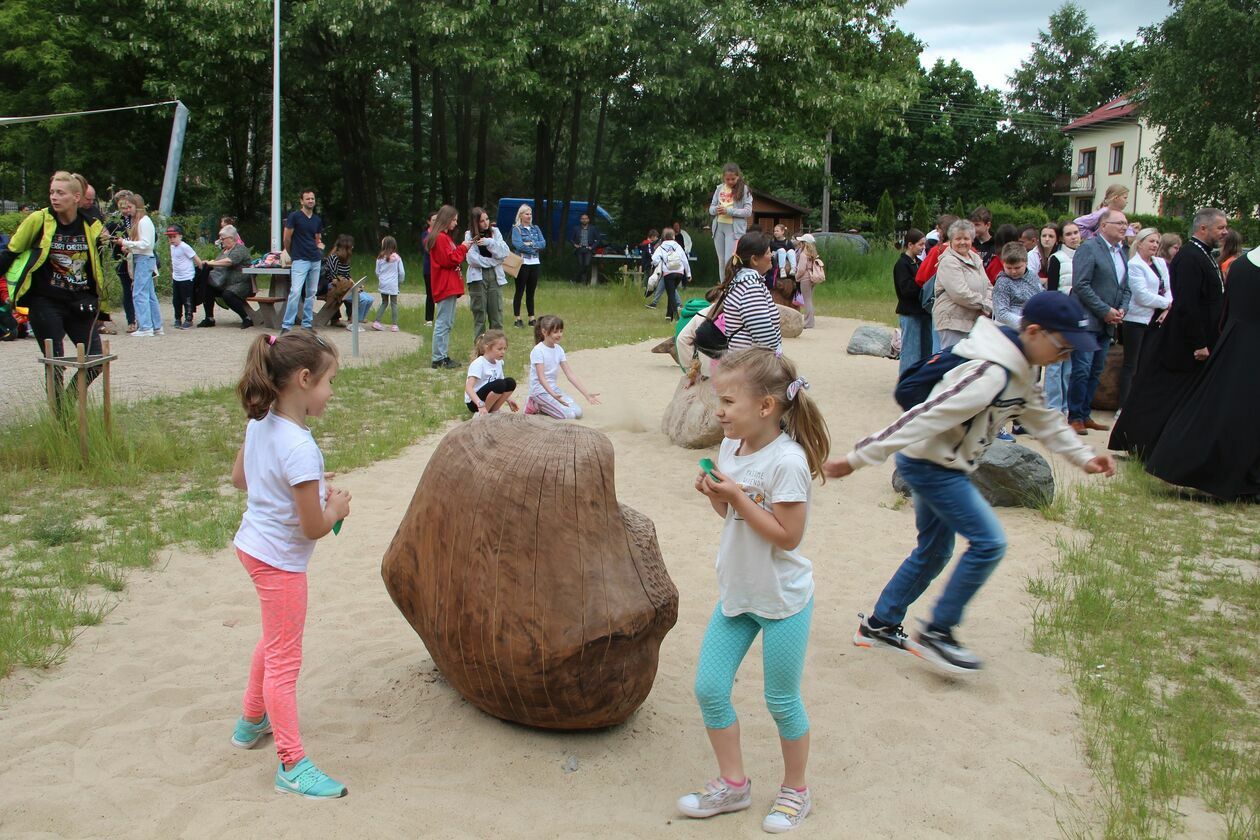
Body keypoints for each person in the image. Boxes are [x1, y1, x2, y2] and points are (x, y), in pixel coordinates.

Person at [824, 292, 1117, 671]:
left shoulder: (1022, 371)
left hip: (945, 465)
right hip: (931, 465)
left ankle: (879, 625)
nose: (1067, 356)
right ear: (1033, 332)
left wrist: (1084, 457)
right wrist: (859, 457)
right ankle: (938, 632)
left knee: (934, 550)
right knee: (989, 542)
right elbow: (925, 416)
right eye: (1063, 347)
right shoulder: (990, 373)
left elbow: (1044, 421)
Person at [677, 347, 830, 834]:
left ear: (766, 406)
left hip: (782, 600)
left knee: (781, 700)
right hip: (739, 592)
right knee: (709, 687)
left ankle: (796, 790)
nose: (717, 410)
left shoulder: (788, 462)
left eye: (726, 401)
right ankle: (734, 784)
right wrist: (717, 498)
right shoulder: (731, 447)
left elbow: (787, 536)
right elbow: (735, 519)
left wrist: (739, 495)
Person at [230, 330, 350, 800]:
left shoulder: (260, 420)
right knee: (284, 659)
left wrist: (309, 481)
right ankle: (291, 764)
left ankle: (250, 720)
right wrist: (335, 506)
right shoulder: (301, 446)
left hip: (252, 547)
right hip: (280, 562)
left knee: (273, 639)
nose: (331, 392)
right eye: (329, 381)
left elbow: (241, 478)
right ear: (304, 379)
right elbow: (313, 527)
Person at [1109, 208, 1229, 456]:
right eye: (1221, 227)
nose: (1225, 232)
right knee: (1161, 392)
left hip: (1198, 338)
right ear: (1203, 228)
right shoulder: (1189, 257)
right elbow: (1187, 304)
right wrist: (1198, 342)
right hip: (1185, 342)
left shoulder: (1203, 255)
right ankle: (1137, 441)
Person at [1144, 245, 1260, 501]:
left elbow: (1227, 310)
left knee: (1218, 410)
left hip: (1232, 345)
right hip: (1251, 350)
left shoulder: (1240, 265)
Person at [0, 171, 107, 395]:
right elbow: (11, 252)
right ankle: (60, 420)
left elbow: (96, 266)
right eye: (52, 192)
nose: (54, 197)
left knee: (96, 360)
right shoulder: (39, 220)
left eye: (60, 193)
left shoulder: (92, 226)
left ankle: (69, 401)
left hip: (80, 300)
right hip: (45, 301)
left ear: (76, 197)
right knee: (55, 363)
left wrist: (95, 298)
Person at [1067, 208, 1131, 435]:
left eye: (1125, 223)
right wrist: (1105, 310)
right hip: (1087, 320)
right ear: (1103, 226)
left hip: (1108, 322)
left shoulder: (1122, 251)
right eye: (1119, 223)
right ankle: (1074, 416)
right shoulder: (1089, 248)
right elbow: (1081, 285)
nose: (1124, 226)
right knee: (1082, 370)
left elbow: (1125, 287)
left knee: (1096, 370)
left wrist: (1121, 309)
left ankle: (1085, 413)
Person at [1118, 228, 1172, 408]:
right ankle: (1124, 405)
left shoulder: (1160, 262)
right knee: (1131, 364)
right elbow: (1142, 295)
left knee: (1148, 362)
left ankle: (1142, 403)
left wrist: (1168, 305)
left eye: (1157, 242)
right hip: (1136, 319)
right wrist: (1166, 304)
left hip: (1157, 318)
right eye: (1151, 241)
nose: (1155, 245)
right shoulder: (1134, 264)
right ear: (1139, 243)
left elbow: (1168, 288)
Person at [709, 230, 783, 355]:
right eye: (767, 253)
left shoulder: (743, 282)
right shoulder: (750, 287)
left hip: (746, 360)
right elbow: (763, 334)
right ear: (754, 259)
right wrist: (778, 359)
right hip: (751, 364)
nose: (771, 256)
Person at [526, 315, 600, 419]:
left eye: (561, 331)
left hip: (553, 389)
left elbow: (570, 374)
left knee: (578, 413)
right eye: (555, 332)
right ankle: (535, 404)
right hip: (540, 392)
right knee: (569, 416)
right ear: (544, 332)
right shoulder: (538, 351)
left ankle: (545, 405)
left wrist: (586, 394)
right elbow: (541, 378)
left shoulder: (559, 349)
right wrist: (552, 395)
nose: (559, 334)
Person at [933, 219, 991, 349]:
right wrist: (985, 305)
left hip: (974, 321)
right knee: (954, 364)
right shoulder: (948, 261)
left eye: (966, 238)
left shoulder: (976, 259)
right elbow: (960, 293)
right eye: (958, 239)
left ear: (972, 239)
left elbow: (988, 286)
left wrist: (988, 303)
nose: (962, 242)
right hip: (953, 322)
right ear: (951, 240)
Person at [1044, 221, 1081, 414]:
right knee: (1054, 366)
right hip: (1059, 316)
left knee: (1069, 367)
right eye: (1069, 234)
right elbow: (1052, 290)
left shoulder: (1083, 256)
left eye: (1076, 232)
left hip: (1076, 317)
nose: (1074, 237)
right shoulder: (1057, 258)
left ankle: (1064, 408)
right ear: (1062, 238)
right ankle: (1052, 408)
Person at [427, 205, 468, 369]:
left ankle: (443, 355)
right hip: (445, 285)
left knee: (448, 322)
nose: (456, 223)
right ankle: (438, 358)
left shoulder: (445, 237)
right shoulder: (440, 238)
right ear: (447, 219)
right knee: (443, 322)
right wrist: (464, 247)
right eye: (454, 219)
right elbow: (449, 259)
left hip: (449, 284)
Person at [116, 192, 162, 337]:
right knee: (149, 294)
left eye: (130, 207)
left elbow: (147, 244)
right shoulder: (140, 221)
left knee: (139, 293)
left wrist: (126, 242)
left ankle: (146, 327)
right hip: (142, 257)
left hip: (144, 259)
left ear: (137, 206)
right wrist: (129, 247)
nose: (128, 210)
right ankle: (156, 326)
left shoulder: (144, 221)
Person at [281, 189, 325, 332]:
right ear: (301, 201)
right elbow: (286, 238)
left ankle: (307, 323)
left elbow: (317, 238)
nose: (310, 201)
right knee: (295, 291)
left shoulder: (317, 219)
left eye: (312, 198)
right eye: (307, 199)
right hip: (300, 259)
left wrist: (318, 248)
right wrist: (291, 252)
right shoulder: (294, 217)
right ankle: (287, 325)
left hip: (315, 259)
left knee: (311, 292)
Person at [462, 207, 508, 342]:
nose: (485, 223)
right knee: (479, 314)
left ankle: (498, 348)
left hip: (495, 276)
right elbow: (472, 259)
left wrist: (490, 242)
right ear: (475, 222)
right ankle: (479, 350)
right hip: (478, 278)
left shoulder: (495, 232)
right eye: (481, 221)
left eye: (487, 219)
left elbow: (504, 252)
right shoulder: (469, 235)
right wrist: (493, 261)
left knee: (496, 314)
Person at [201, 226, 255, 329]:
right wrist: (209, 263)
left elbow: (229, 261)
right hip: (225, 284)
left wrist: (212, 263)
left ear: (231, 238)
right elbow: (218, 263)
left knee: (228, 295)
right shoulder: (224, 251)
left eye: (222, 238)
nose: (220, 241)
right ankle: (209, 318)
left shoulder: (240, 249)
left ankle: (246, 318)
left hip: (241, 284)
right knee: (207, 288)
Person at [708, 163, 753, 280]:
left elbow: (748, 212)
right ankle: (723, 286)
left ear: (738, 177)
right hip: (719, 227)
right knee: (721, 260)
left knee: (730, 259)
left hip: (734, 229)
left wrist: (729, 211)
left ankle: (731, 285)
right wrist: (716, 210)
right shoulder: (719, 189)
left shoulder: (744, 190)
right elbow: (711, 208)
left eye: (733, 179)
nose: (730, 181)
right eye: (727, 179)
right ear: (723, 178)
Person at [893, 229, 928, 374]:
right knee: (910, 349)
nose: (923, 248)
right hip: (909, 312)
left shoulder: (919, 262)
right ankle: (906, 379)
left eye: (924, 245)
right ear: (910, 245)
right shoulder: (902, 264)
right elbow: (906, 290)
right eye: (920, 245)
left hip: (922, 311)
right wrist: (922, 287)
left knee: (923, 349)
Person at [322, 235, 374, 330]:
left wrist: (356, 285)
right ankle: (354, 321)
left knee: (369, 299)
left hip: (345, 285)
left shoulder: (346, 259)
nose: (353, 248)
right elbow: (334, 278)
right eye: (351, 246)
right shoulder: (333, 258)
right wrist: (351, 286)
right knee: (362, 299)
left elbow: (347, 275)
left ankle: (357, 320)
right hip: (335, 286)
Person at [464, 329, 518, 414]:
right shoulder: (479, 363)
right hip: (475, 402)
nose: (503, 352)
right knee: (499, 384)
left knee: (510, 382)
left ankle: (493, 411)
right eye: (499, 349)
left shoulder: (499, 362)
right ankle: (482, 414)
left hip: (489, 398)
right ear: (487, 347)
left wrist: (509, 400)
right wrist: (480, 404)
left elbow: (503, 383)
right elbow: (468, 388)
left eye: (505, 349)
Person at [106, 191, 137, 332]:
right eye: (121, 206)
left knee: (142, 289)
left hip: (139, 257)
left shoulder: (139, 218)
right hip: (122, 259)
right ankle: (131, 320)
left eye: (127, 205)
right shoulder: (113, 221)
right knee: (127, 289)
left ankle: (144, 318)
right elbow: (108, 240)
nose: (125, 209)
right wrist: (120, 245)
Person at [510, 204, 545, 329]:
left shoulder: (535, 228)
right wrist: (533, 248)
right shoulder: (517, 229)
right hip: (522, 263)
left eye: (530, 214)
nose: (529, 216)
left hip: (535, 263)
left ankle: (532, 318)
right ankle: (517, 318)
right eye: (526, 214)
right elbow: (518, 245)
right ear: (521, 215)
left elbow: (543, 243)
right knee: (519, 290)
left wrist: (530, 245)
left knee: (531, 291)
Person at [992, 242, 1041, 330]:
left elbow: (1041, 296)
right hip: (1010, 329)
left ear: (1026, 263)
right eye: (1009, 268)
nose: (1013, 271)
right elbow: (1001, 314)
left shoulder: (1033, 276)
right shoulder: (1003, 282)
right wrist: (1025, 324)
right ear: (1003, 264)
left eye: (1017, 268)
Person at [166, 224, 203, 329]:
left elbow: (196, 258)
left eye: (174, 236)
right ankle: (178, 318)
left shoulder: (185, 247)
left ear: (180, 236)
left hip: (187, 277)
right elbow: (173, 261)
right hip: (176, 277)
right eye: (170, 237)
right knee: (176, 300)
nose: (172, 239)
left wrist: (201, 270)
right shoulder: (172, 247)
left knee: (187, 299)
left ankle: (189, 318)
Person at [651, 228, 691, 321]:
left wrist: (659, 264)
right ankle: (668, 315)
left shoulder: (661, 247)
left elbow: (654, 259)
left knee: (671, 294)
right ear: (673, 236)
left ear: (664, 237)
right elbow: (684, 260)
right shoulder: (678, 246)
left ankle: (676, 316)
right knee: (672, 292)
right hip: (679, 273)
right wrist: (688, 273)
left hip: (668, 273)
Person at [914, 214, 958, 288]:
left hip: (941, 295)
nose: (937, 233)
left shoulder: (937, 250)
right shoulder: (971, 251)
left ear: (944, 231)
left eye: (938, 230)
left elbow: (921, 278)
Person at [373, 235, 404, 332]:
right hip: (393, 284)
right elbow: (401, 272)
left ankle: (377, 322)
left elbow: (377, 272)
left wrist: (381, 279)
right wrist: (400, 282)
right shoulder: (397, 258)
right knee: (394, 304)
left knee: (384, 302)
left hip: (383, 284)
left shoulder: (379, 258)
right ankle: (394, 325)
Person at [794, 234, 825, 330]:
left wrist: (796, 276)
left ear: (804, 243)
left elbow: (801, 269)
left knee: (807, 300)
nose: (800, 244)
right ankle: (810, 321)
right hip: (812, 278)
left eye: (802, 242)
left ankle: (808, 322)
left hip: (805, 278)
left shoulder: (803, 254)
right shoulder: (812, 254)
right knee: (809, 299)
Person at [569, 212, 603, 284]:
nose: (584, 220)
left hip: (588, 249)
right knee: (580, 265)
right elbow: (571, 239)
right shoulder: (576, 228)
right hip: (579, 249)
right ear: (580, 220)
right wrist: (575, 245)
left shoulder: (593, 228)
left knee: (587, 265)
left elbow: (599, 239)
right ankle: (583, 282)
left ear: (588, 220)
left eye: (586, 218)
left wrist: (592, 247)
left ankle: (575, 279)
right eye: (582, 219)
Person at [421, 211, 436, 326]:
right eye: (434, 220)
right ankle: (429, 319)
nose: (436, 222)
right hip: (429, 269)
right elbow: (428, 249)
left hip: (439, 269)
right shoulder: (425, 234)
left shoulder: (443, 234)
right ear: (429, 222)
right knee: (430, 294)